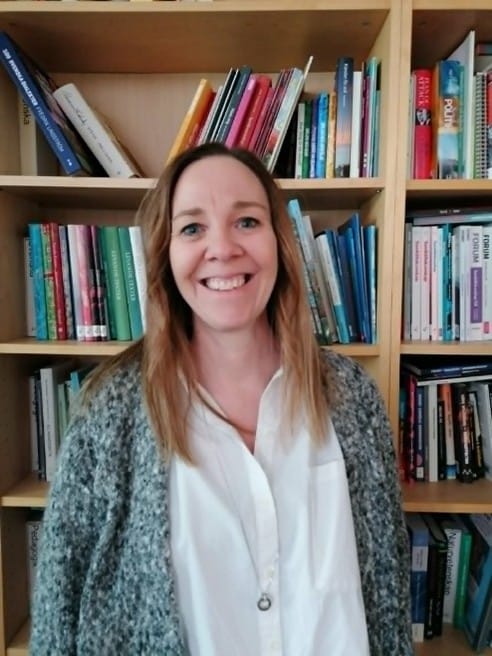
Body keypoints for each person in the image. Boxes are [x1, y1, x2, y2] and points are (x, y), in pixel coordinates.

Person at [30, 142, 412, 655]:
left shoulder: (352, 397)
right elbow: (58, 607)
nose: (223, 248)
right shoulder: (107, 413)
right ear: (165, 254)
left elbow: (388, 587)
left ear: (279, 242)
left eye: (246, 221)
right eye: (193, 228)